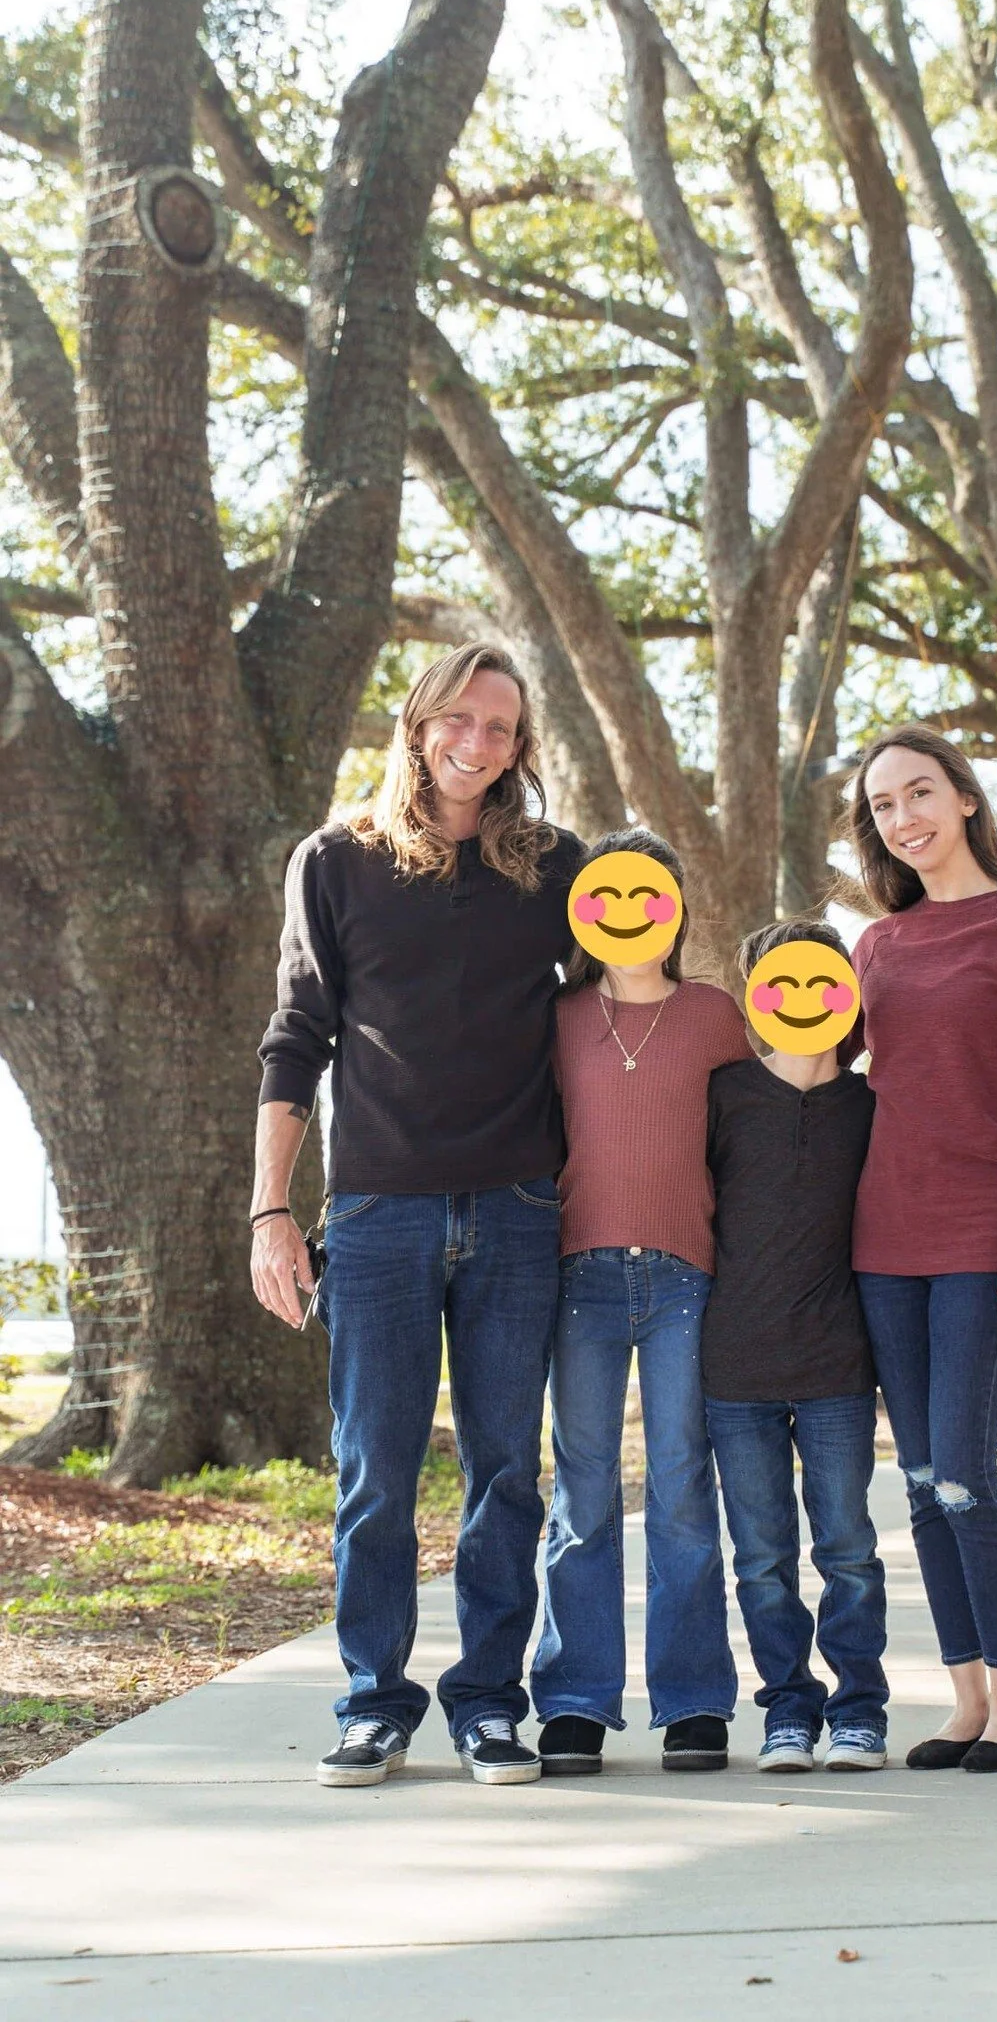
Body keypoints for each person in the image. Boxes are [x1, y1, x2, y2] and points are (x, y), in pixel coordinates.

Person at [250, 643, 584, 1788]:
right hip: (381, 1211)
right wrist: (271, 1213)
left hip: (520, 1207)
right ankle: (371, 1701)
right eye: (459, 719)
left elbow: (613, 1014)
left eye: (500, 728)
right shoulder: (335, 861)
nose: (477, 744)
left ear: (520, 746)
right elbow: (297, 1039)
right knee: (375, 1472)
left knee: (507, 1472)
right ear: (418, 723)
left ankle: (490, 1700)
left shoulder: (554, 865)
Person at [848, 723, 997, 1774]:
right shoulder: (876, 945)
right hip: (880, 1239)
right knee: (919, 1477)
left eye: (919, 792)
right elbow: (829, 1073)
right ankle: (966, 1696)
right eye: (884, 806)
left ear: (967, 798)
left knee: (964, 1474)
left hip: (984, 1238)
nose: (904, 817)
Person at [531, 827, 750, 1775]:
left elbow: (755, 1143)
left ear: (673, 903)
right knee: (580, 1496)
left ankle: (693, 1701)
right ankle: (576, 1700)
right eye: (610, 893)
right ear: (585, 909)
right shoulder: (557, 1015)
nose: (630, 911)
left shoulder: (716, 1015)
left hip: (684, 1281)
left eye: (649, 890)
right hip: (576, 1278)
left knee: (680, 1490)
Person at [703, 919, 888, 1773]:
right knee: (763, 1557)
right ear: (756, 996)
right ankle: (786, 1710)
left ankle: (858, 1710)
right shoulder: (725, 1095)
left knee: (846, 1547)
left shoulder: (872, 1106)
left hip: (836, 1370)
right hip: (734, 1370)